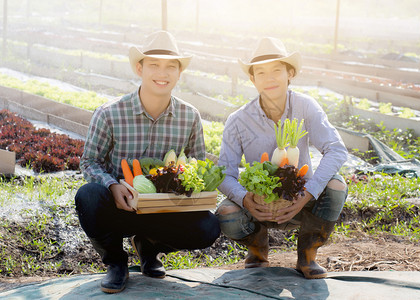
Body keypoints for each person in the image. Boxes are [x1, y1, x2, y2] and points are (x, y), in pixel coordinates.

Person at [75, 31, 220, 294]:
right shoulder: (109, 114)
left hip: (165, 210)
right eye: (154, 65)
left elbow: (198, 165)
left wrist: (188, 190)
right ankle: (115, 262)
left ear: (179, 73)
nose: (162, 73)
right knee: (88, 197)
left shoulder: (190, 117)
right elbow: (89, 162)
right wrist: (111, 186)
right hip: (121, 208)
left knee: (208, 227)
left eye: (170, 67)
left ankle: (149, 246)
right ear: (139, 68)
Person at [216, 37, 348, 279]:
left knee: (336, 186)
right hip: (259, 203)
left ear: (290, 73)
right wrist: (246, 199)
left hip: (301, 201)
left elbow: (336, 149)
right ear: (252, 79)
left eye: (277, 70)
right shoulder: (239, 120)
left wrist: (308, 192)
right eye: (261, 72)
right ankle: (257, 249)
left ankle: (307, 255)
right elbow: (224, 172)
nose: (270, 78)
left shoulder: (306, 107)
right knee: (227, 215)